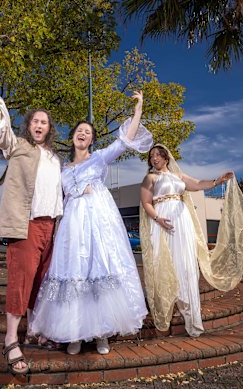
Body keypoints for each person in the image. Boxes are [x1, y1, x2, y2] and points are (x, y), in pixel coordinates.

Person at [28, 91, 151, 356]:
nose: (83, 134)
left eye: (88, 132)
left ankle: (102, 333)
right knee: (75, 273)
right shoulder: (62, 169)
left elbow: (126, 139)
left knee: (98, 269)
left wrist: (138, 108)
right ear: (72, 136)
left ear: (92, 139)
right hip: (72, 227)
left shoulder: (100, 159)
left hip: (98, 223)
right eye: (79, 131)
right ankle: (73, 334)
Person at [0, 65, 63, 375]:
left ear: (50, 128)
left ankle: (36, 331)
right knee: (20, 282)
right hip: (24, 225)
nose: (39, 125)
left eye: (45, 122)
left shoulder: (54, 157)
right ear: (29, 126)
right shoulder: (17, 146)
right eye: (35, 121)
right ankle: (11, 338)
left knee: (41, 283)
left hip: (50, 228)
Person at [139, 144, 243, 337]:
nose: (154, 158)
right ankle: (165, 311)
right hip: (161, 221)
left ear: (166, 158)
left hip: (182, 222)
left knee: (186, 264)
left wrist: (218, 180)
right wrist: (158, 219)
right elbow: (146, 203)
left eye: (158, 155)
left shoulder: (179, 176)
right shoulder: (151, 178)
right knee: (164, 263)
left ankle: (192, 320)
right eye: (151, 156)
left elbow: (200, 184)